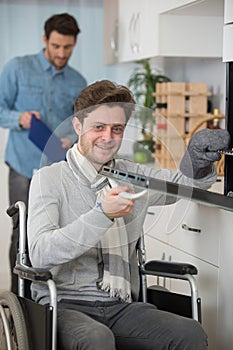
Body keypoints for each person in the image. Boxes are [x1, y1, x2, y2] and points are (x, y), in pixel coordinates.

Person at [27, 80, 230, 350]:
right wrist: (102, 215)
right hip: (64, 303)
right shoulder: (48, 179)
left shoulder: (131, 175)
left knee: (189, 333)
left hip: (121, 306)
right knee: (96, 338)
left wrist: (198, 161)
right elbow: (41, 254)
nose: (108, 137)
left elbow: (182, 186)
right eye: (98, 127)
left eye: (117, 129)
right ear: (78, 126)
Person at [0, 13, 87, 293]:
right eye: (56, 46)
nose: (62, 53)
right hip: (23, 167)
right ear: (45, 40)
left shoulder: (77, 81)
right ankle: (18, 302)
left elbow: (82, 122)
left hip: (58, 169)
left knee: (54, 234)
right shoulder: (18, 68)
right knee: (22, 232)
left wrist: (71, 137)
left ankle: (48, 299)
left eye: (68, 48)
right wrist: (20, 118)